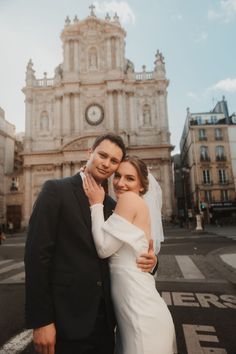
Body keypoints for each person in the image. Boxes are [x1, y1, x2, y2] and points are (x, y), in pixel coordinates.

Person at [24, 133, 158, 354]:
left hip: (106, 325)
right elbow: (36, 257)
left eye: (114, 161)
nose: (106, 164)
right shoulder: (55, 191)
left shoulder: (114, 205)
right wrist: (41, 321)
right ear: (90, 153)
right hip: (65, 322)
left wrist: (151, 261)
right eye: (102, 155)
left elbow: (127, 249)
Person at [83, 156, 176, 354]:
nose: (120, 183)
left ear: (142, 186)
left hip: (139, 313)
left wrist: (96, 204)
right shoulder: (134, 204)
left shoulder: (128, 200)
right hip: (136, 310)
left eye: (130, 178)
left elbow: (103, 249)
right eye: (117, 176)